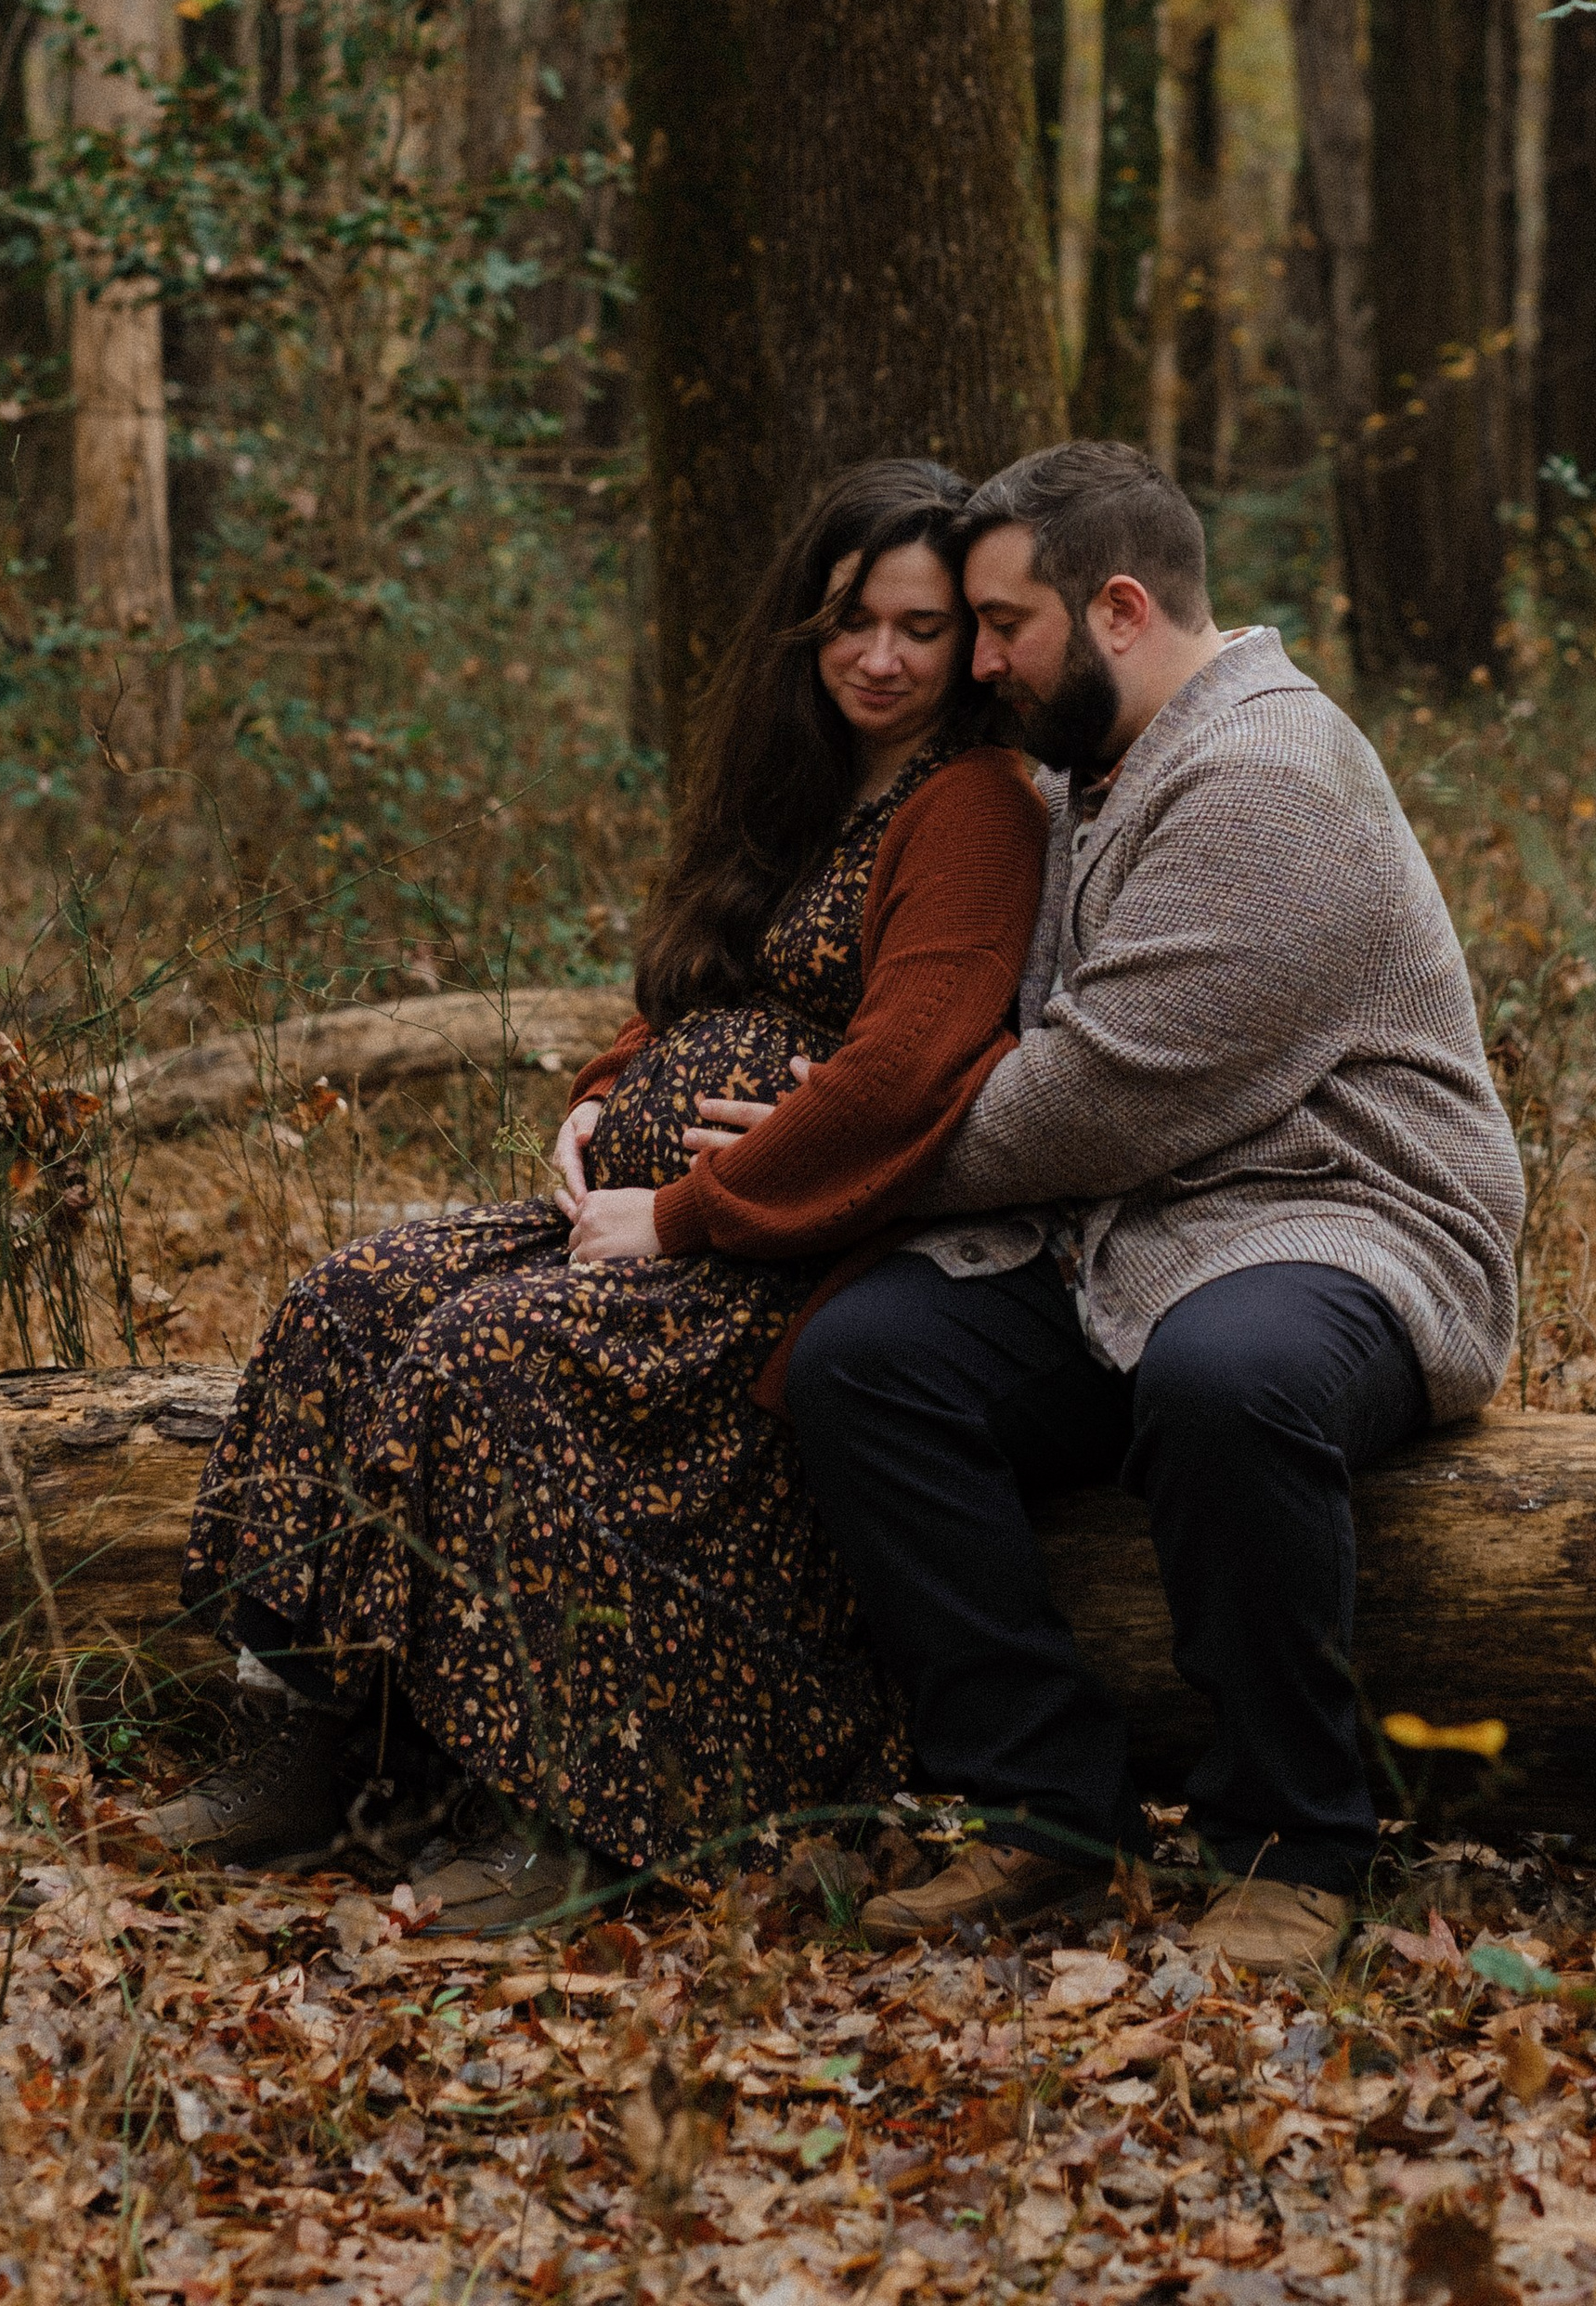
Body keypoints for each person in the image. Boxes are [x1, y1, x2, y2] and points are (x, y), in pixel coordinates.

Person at [146, 460, 1047, 1931]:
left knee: (487, 1356)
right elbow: (686, 997)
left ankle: (560, 1816)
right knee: (341, 1303)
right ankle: (293, 1746)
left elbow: (904, 1070)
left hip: (777, 1257)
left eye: (923, 629)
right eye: (848, 623)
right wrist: (593, 1098)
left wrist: (683, 1215)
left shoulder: (971, 808)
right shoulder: (803, 788)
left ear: (972, 648)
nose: (879, 658)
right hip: (631, 1223)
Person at [759, 440, 1525, 1975]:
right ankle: (1050, 1807)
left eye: (998, 626)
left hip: (1342, 1219)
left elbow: (1092, 1096)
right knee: (867, 1368)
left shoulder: (1264, 778)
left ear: (1117, 609)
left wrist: (821, 1164)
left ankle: (1296, 1838)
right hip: (1127, 1232)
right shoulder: (1085, 768)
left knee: (1224, 1378)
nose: (976, 663)